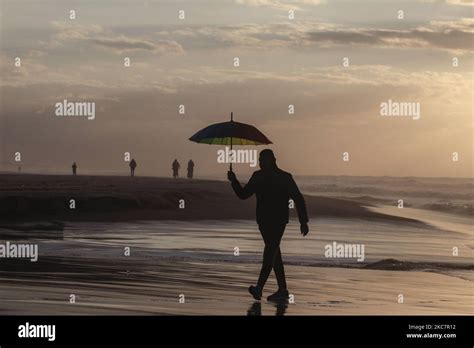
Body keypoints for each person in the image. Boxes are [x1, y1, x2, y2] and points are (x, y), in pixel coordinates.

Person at [227, 149, 309, 302]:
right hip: (263, 222)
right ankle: (283, 290)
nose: (260, 162)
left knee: (270, 250)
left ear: (272, 160)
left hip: (278, 221)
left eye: (263, 159)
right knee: (274, 254)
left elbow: (298, 198)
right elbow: (243, 195)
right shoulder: (258, 176)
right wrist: (234, 181)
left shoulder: (284, 177)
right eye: (259, 159)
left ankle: (259, 287)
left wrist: (303, 221)